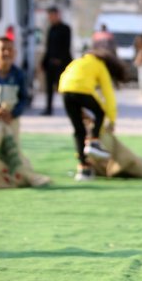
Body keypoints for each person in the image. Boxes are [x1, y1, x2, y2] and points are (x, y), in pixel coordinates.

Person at [58, 48, 127, 181]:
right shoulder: (100, 65)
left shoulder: (78, 61)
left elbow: (67, 79)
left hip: (65, 91)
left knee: (79, 130)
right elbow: (108, 95)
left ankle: (84, 168)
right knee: (100, 112)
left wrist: (81, 110)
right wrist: (111, 120)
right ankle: (94, 142)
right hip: (81, 90)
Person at [0, 37, 27, 135]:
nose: (6, 53)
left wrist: (13, 113)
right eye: (3, 49)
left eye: (10, 50)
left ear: (14, 53)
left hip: (11, 118)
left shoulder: (19, 74)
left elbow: (24, 98)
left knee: (12, 148)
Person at [41, 6, 73, 115]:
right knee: (49, 87)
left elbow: (66, 46)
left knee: (64, 87)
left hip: (62, 63)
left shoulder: (65, 28)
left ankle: (70, 109)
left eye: (52, 16)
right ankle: (48, 108)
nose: (50, 18)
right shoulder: (51, 29)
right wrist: (44, 61)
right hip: (50, 63)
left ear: (57, 15)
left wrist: (60, 60)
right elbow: (48, 47)